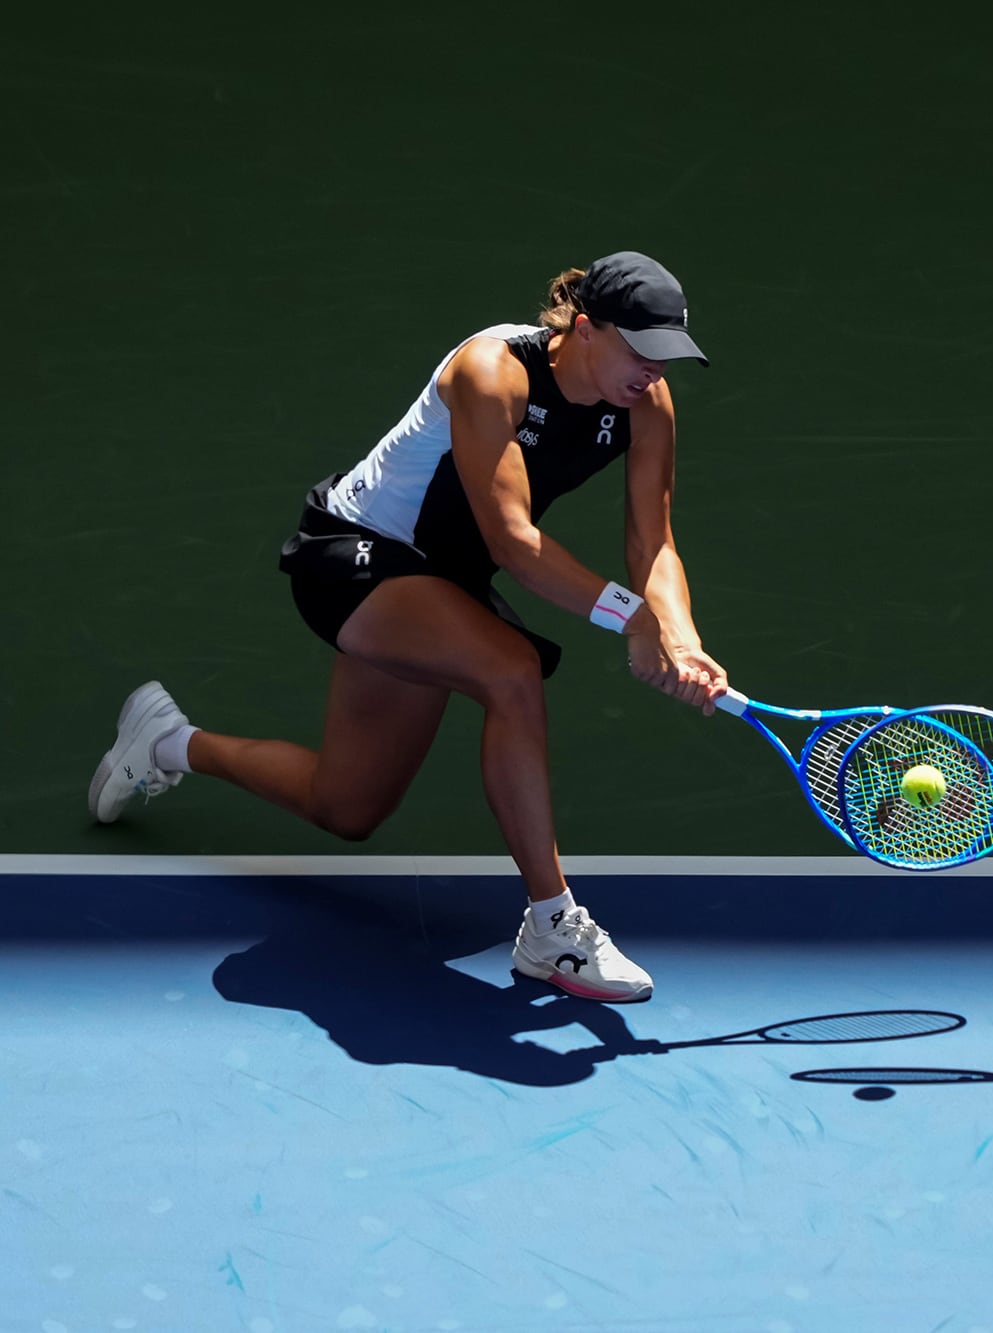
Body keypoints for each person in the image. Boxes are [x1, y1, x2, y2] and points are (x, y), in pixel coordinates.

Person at [87, 251, 728, 1003]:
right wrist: (631, 618)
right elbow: (514, 544)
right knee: (509, 670)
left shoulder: (646, 405)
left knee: (347, 805)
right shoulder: (493, 373)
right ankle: (552, 925)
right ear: (586, 328)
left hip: (440, 584)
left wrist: (680, 637)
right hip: (355, 557)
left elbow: (653, 541)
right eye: (641, 350)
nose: (654, 371)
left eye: (668, 356)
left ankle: (165, 740)